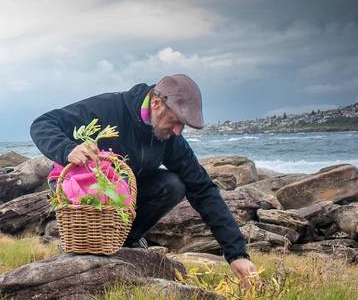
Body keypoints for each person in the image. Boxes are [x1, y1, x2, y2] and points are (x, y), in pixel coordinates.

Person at [30, 74, 260, 288]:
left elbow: (203, 189)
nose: (178, 131)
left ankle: (125, 242)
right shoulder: (107, 108)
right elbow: (42, 124)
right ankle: (83, 242)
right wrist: (67, 149)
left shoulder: (169, 138)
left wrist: (236, 254)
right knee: (111, 183)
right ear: (157, 103)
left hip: (122, 193)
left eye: (183, 125)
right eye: (177, 121)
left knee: (173, 184)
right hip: (80, 186)